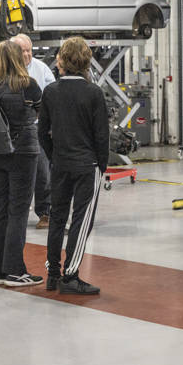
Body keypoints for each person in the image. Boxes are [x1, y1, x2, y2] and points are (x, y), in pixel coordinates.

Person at [39, 37, 109, 295]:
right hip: (86, 165)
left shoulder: (51, 92)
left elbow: (42, 132)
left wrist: (54, 156)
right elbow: (102, 136)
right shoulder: (93, 93)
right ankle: (71, 275)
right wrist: (101, 165)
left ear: (63, 60)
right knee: (81, 220)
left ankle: (53, 273)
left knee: (57, 217)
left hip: (60, 164)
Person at [0, 41, 44, 287]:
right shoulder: (28, 85)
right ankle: (15, 270)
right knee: (18, 210)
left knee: (0, 209)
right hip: (22, 152)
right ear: (19, 58)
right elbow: (42, 113)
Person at [11, 33, 55, 229]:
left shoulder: (41, 68)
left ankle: (45, 212)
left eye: (29, 50)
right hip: (10, 132)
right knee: (13, 173)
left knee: (42, 172)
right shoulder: (2, 69)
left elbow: (52, 94)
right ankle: (13, 211)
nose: (28, 54)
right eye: (23, 51)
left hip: (36, 129)